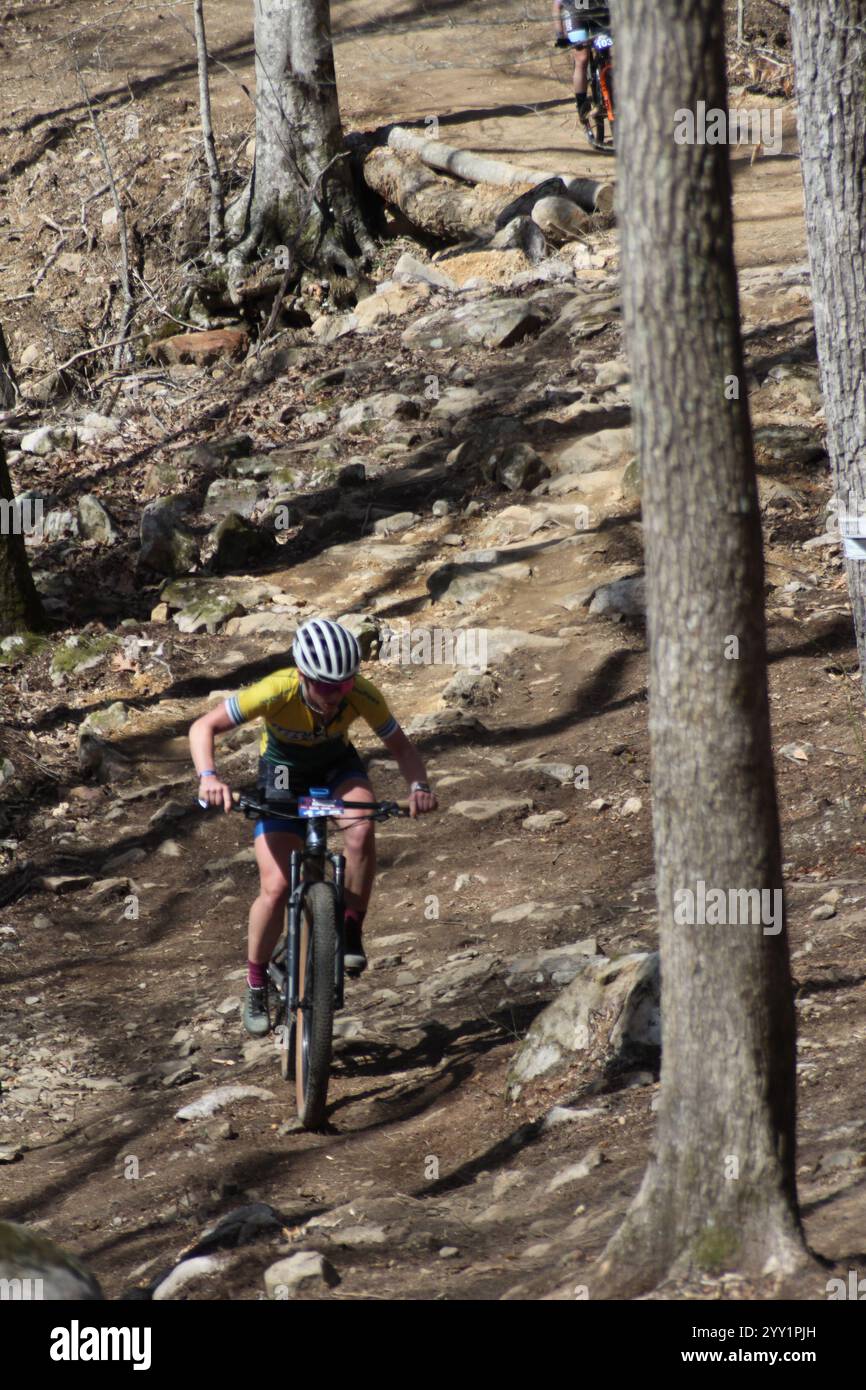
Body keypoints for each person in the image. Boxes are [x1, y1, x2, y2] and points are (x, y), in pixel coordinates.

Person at [189, 617, 438, 1037]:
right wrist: (209, 778)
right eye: (325, 686)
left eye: (343, 684)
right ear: (304, 676)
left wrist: (418, 787)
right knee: (277, 886)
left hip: (336, 766)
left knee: (360, 829)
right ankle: (255, 980)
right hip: (284, 770)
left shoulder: (361, 694)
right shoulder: (276, 689)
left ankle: (350, 926)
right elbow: (203, 727)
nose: (335, 694)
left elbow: (402, 748)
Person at [553, 1, 612, 126]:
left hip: (600, 14)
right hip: (576, 16)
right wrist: (560, 36)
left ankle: (609, 95)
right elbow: (557, 5)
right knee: (582, 57)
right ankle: (582, 105)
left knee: (604, 53)